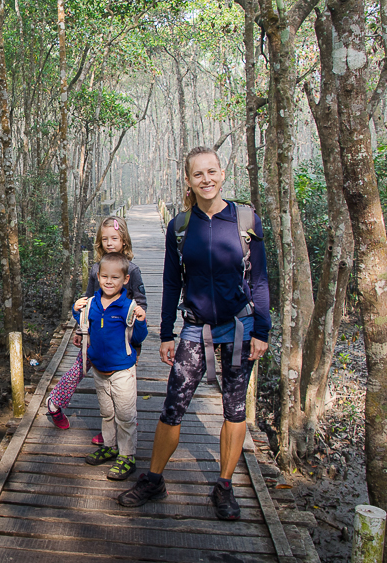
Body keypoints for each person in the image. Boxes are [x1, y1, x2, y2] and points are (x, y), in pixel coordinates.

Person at [117, 146, 270, 520]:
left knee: (234, 410)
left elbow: (261, 279)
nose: (206, 179)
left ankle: (224, 486)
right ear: (188, 180)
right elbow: (171, 282)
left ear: (222, 173)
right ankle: (154, 479)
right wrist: (165, 332)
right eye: (198, 174)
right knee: (173, 406)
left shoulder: (246, 219)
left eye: (211, 172)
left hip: (240, 326)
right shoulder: (181, 226)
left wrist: (263, 330)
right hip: (195, 328)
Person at [46, 215, 147, 443]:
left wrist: (138, 322)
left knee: (123, 388)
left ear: (124, 240)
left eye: (114, 238)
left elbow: (141, 301)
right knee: (80, 368)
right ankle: (55, 403)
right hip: (96, 333)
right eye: (105, 239)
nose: (109, 243)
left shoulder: (133, 270)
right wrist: (81, 330)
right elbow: (89, 300)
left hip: (123, 338)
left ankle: (117, 432)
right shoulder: (95, 269)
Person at [72, 253, 148, 481]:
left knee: (125, 415)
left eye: (115, 277)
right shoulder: (93, 303)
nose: (108, 281)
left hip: (123, 370)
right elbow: (84, 324)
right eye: (104, 276)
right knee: (107, 412)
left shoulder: (128, 306)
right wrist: (77, 311)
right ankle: (110, 445)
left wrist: (141, 320)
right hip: (99, 370)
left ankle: (127, 456)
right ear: (98, 276)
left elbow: (138, 338)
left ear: (125, 279)